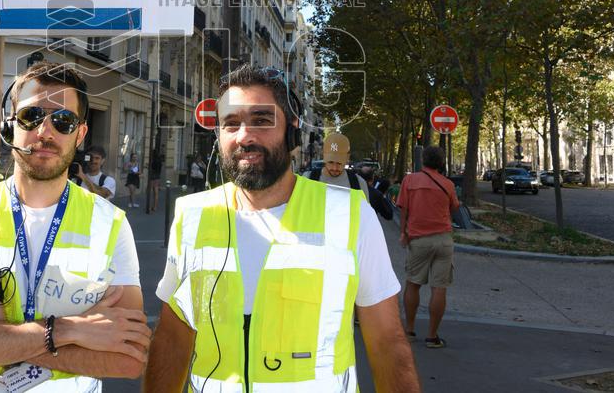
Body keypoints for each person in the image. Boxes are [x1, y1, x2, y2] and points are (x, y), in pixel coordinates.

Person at [145, 65, 420, 392]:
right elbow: (173, 337)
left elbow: (387, 342)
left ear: (292, 132)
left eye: (261, 121)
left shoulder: (350, 214)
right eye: (231, 124)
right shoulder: (192, 214)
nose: (244, 136)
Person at [0, 61, 151, 392]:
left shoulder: (111, 224)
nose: (45, 132)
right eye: (30, 117)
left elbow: (128, 358)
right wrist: (67, 331)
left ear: (80, 134)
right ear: (9, 127)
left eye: (63, 121)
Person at [397, 145, 460, 348]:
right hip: (443, 240)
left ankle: (410, 330)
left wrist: (404, 232)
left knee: (413, 284)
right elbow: (454, 207)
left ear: (423, 160)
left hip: (419, 240)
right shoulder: (448, 184)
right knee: (439, 288)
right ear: (441, 163)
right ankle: (433, 336)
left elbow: (403, 208)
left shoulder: (410, 180)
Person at [309, 131, 394, 221]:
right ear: (324, 156)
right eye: (330, 162)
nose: (334, 167)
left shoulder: (358, 184)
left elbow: (364, 220)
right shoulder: (308, 179)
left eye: (339, 163)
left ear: (347, 158)